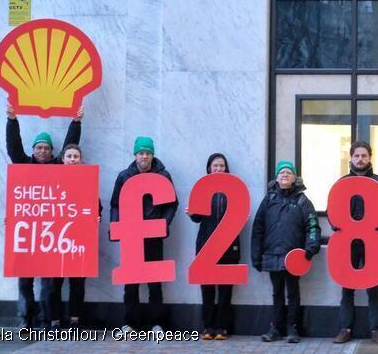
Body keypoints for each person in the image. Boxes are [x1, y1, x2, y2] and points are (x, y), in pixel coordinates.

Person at [5, 102, 83, 329]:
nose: (42, 151)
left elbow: (72, 146)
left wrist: (76, 123)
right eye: (38, 147)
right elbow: (13, 147)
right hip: (28, 231)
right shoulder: (23, 164)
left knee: (49, 282)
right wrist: (12, 120)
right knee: (25, 280)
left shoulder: (58, 166)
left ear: (51, 151)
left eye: (46, 148)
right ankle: (26, 318)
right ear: (33, 150)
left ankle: (49, 318)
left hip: (50, 234)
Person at [109, 136, 178, 333]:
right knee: (131, 282)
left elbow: (172, 204)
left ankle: (157, 322)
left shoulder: (163, 176)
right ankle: (130, 322)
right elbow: (115, 205)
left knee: (154, 281)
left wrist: (163, 224)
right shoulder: (124, 176)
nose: (144, 156)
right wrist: (116, 225)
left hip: (153, 236)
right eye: (141, 153)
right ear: (135, 155)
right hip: (131, 236)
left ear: (152, 155)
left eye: (147, 153)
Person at [332, 141, 378, 345]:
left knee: (373, 289)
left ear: (370, 158)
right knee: (346, 288)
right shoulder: (341, 183)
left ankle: (376, 330)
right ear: (351, 158)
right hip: (347, 244)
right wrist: (338, 227)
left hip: (372, 243)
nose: (360, 159)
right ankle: (345, 329)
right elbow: (332, 209)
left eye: (364, 156)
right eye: (357, 156)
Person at [252, 160, 321, 343]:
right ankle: (276, 328)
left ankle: (293, 328)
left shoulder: (302, 200)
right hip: (272, 254)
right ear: (276, 177)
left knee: (293, 293)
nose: (284, 175)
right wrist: (256, 255)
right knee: (277, 292)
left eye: (288, 172)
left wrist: (310, 248)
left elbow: (312, 225)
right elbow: (258, 227)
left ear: (294, 177)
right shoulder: (268, 200)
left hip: (294, 257)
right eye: (281, 172)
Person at [41, 144, 102, 330]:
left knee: (77, 282)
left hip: (79, 239)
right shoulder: (52, 180)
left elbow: (96, 205)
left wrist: (96, 216)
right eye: (69, 156)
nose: (73, 159)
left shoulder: (87, 180)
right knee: (54, 283)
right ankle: (55, 320)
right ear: (63, 159)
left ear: (80, 160)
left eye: (76, 156)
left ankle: (75, 320)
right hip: (55, 239)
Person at [186, 153, 240, 340]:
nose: (218, 169)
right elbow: (197, 218)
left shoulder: (234, 189)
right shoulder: (203, 188)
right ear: (209, 167)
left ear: (226, 168)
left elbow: (239, 215)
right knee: (207, 289)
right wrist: (192, 213)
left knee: (225, 290)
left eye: (221, 166)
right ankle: (208, 326)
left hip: (228, 245)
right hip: (206, 246)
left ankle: (222, 327)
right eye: (215, 165)